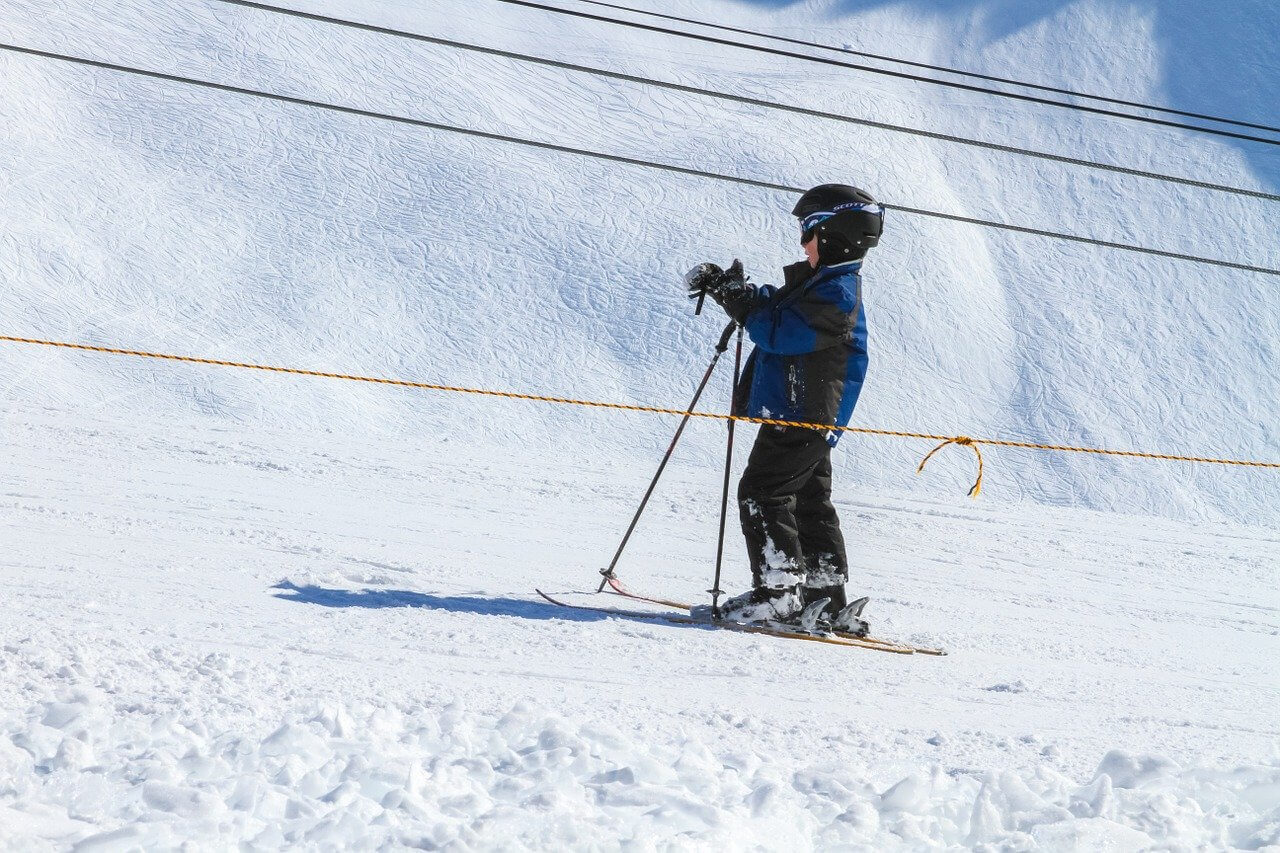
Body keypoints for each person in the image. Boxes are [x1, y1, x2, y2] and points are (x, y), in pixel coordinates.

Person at [684, 184, 884, 633]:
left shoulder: (838, 296)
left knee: (762, 493)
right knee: (810, 503)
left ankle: (777, 595)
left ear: (837, 235)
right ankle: (824, 597)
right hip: (805, 413)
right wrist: (738, 293)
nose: (803, 242)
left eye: (810, 231)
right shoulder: (825, 286)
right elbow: (776, 308)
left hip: (801, 414)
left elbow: (782, 333)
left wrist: (739, 304)